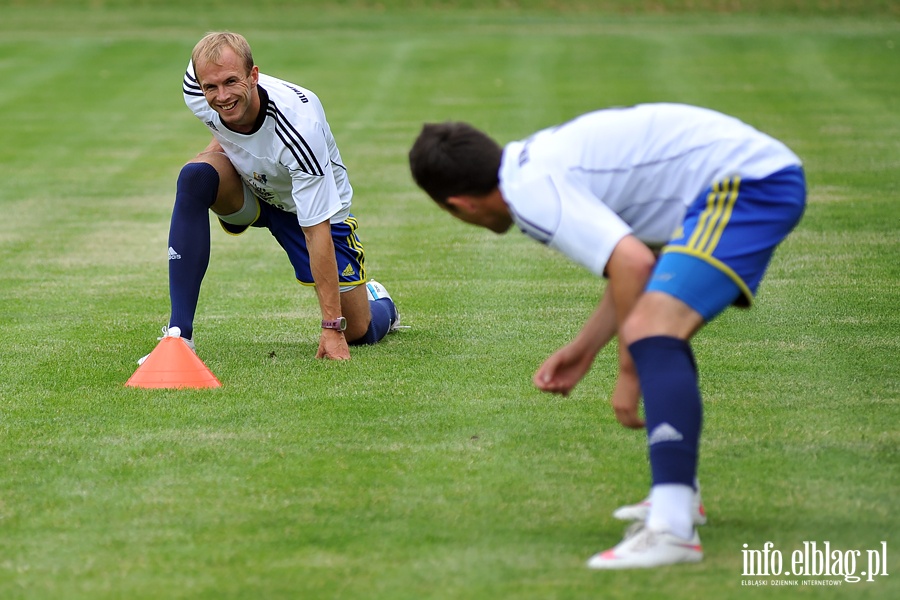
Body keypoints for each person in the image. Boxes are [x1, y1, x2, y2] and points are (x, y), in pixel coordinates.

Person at [408, 103, 805, 569]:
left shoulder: (531, 194)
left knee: (653, 329)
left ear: (459, 204)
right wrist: (585, 348)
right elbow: (636, 264)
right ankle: (677, 499)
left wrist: (628, 370)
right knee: (657, 323)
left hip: (749, 185)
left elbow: (634, 265)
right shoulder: (531, 163)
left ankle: (673, 529)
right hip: (748, 177)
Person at [141, 32, 400, 364]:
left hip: (306, 212)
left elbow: (314, 228)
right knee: (195, 176)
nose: (221, 96)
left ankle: (383, 305)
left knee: (358, 330)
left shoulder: (299, 130)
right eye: (211, 87)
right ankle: (179, 336)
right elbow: (222, 125)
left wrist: (332, 327)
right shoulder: (195, 85)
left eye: (232, 82)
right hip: (250, 191)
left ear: (254, 75)